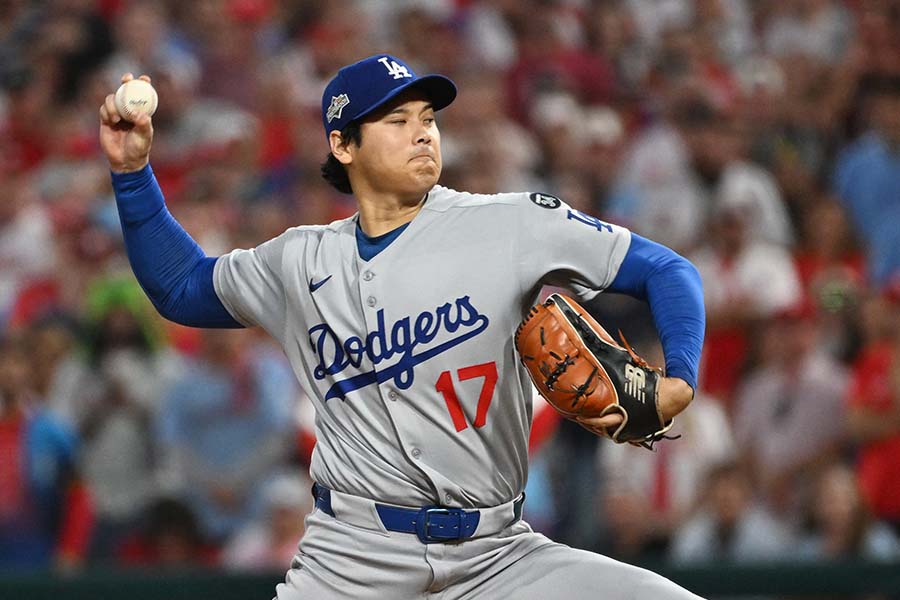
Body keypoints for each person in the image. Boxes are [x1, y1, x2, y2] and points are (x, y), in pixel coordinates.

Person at [99, 54, 705, 599]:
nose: (422, 132)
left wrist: (680, 374)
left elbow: (667, 270)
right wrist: (132, 173)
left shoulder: (510, 222)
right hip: (351, 562)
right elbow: (180, 287)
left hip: (498, 556)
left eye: (427, 118)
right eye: (396, 121)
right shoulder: (298, 260)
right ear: (343, 145)